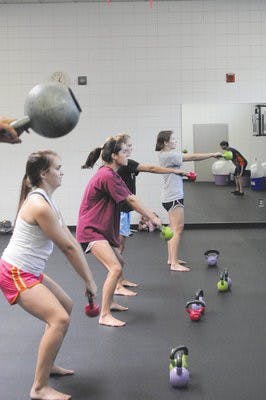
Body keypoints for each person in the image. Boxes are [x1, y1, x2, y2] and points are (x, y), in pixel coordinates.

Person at [0, 150, 97, 400]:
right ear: (44, 173)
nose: (62, 171)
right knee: (60, 319)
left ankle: (48, 364)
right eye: (58, 168)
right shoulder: (39, 205)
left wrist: (87, 276)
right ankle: (39, 388)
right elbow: (65, 248)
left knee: (66, 305)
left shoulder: (47, 199)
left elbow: (71, 241)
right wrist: (89, 280)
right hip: (15, 272)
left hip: (28, 271)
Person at [76, 136, 161, 327]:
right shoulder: (106, 175)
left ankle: (111, 302)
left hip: (99, 230)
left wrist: (148, 214)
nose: (128, 154)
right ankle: (104, 314)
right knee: (115, 268)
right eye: (124, 151)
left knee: (119, 262)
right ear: (114, 156)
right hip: (91, 230)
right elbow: (131, 201)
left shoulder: (111, 174)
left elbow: (130, 197)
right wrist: (153, 217)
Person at [114, 133, 187, 295]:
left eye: (130, 147)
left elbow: (150, 168)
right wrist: (174, 171)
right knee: (117, 249)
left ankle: (120, 279)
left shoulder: (128, 164)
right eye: (127, 147)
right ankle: (117, 286)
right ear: (118, 150)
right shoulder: (121, 165)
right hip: (117, 212)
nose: (130, 149)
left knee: (121, 247)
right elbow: (151, 168)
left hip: (124, 211)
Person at [155, 130, 221, 272]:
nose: (175, 141)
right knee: (178, 229)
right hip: (173, 196)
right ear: (165, 142)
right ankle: (174, 263)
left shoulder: (164, 154)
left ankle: (171, 258)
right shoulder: (170, 155)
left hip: (170, 195)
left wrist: (185, 174)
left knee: (173, 229)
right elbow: (193, 157)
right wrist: (212, 154)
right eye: (173, 139)